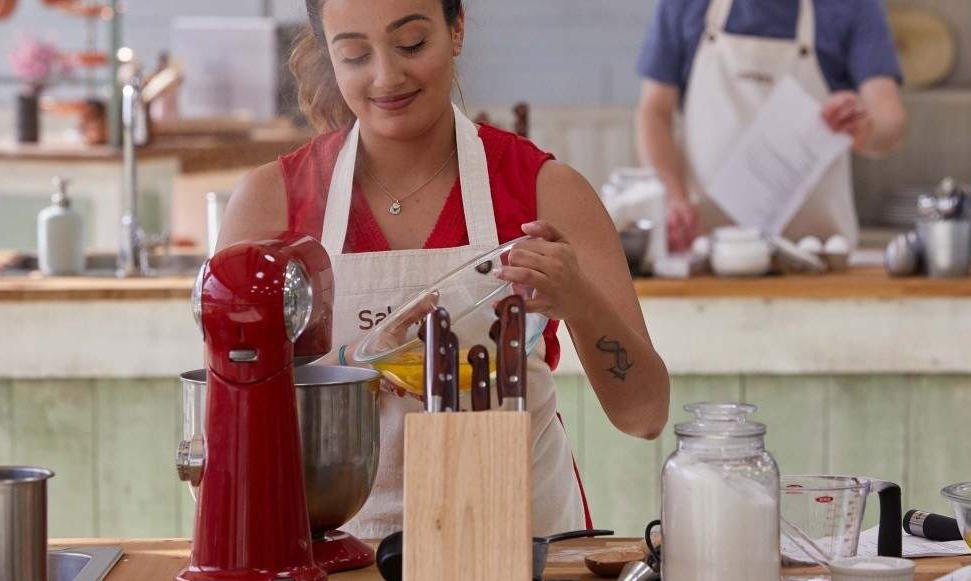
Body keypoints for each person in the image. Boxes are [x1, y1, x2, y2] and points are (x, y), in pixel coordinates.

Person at [217, 0, 670, 538]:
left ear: (456, 30)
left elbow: (643, 415)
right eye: (356, 55)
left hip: (525, 550)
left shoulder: (547, 190)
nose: (387, 76)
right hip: (338, 560)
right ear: (330, 60)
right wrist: (354, 364)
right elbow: (229, 436)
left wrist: (581, 301)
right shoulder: (271, 203)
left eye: (411, 44)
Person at [636, 0, 908, 251]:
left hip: (818, 254)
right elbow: (654, 112)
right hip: (705, 249)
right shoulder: (683, 5)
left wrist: (865, 128)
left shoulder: (852, 6)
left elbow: (890, 121)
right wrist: (672, 197)